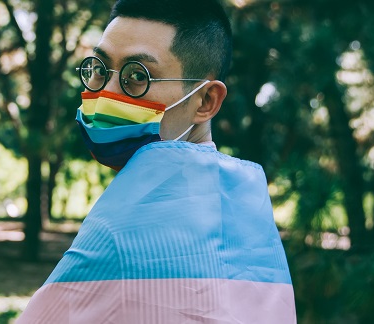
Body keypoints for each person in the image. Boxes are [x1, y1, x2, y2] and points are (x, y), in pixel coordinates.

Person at [16, 0, 296, 323]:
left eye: (138, 75)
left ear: (205, 101)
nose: (106, 92)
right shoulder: (251, 209)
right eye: (98, 68)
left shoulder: (118, 228)